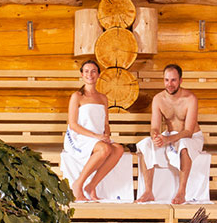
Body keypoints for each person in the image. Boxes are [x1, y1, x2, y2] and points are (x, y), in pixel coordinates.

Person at [136, 63, 203, 204]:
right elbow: (154, 127)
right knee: (145, 144)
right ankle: (148, 191)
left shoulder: (190, 99)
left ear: (180, 80)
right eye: (167, 80)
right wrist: (156, 136)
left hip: (190, 138)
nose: (170, 84)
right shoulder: (158, 99)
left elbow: (188, 131)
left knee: (184, 145)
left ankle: (181, 192)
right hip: (170, 136)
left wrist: (167, 139)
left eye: (173, 80)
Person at [62, 60, 125, 201]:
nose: (90, 74)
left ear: (98, 75)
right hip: (80, 136)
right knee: (104, 150)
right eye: (86, 71)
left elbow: (106, 123)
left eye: (93, 71)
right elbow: (72, 124)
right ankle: (78, 185)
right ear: (82, 74)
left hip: (98, 137)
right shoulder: (77, 96)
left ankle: (91, 185)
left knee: (119, 149)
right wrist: (96, 136)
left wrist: (106, 134)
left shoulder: (103, 98)